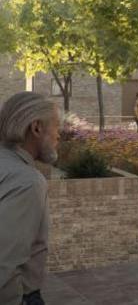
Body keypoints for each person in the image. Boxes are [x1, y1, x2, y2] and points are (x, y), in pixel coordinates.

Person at [0, 92, 59, 305]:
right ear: (36, 128)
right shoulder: (27, 182)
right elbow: (4, 265)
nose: (58, 135)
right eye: (56, 126)